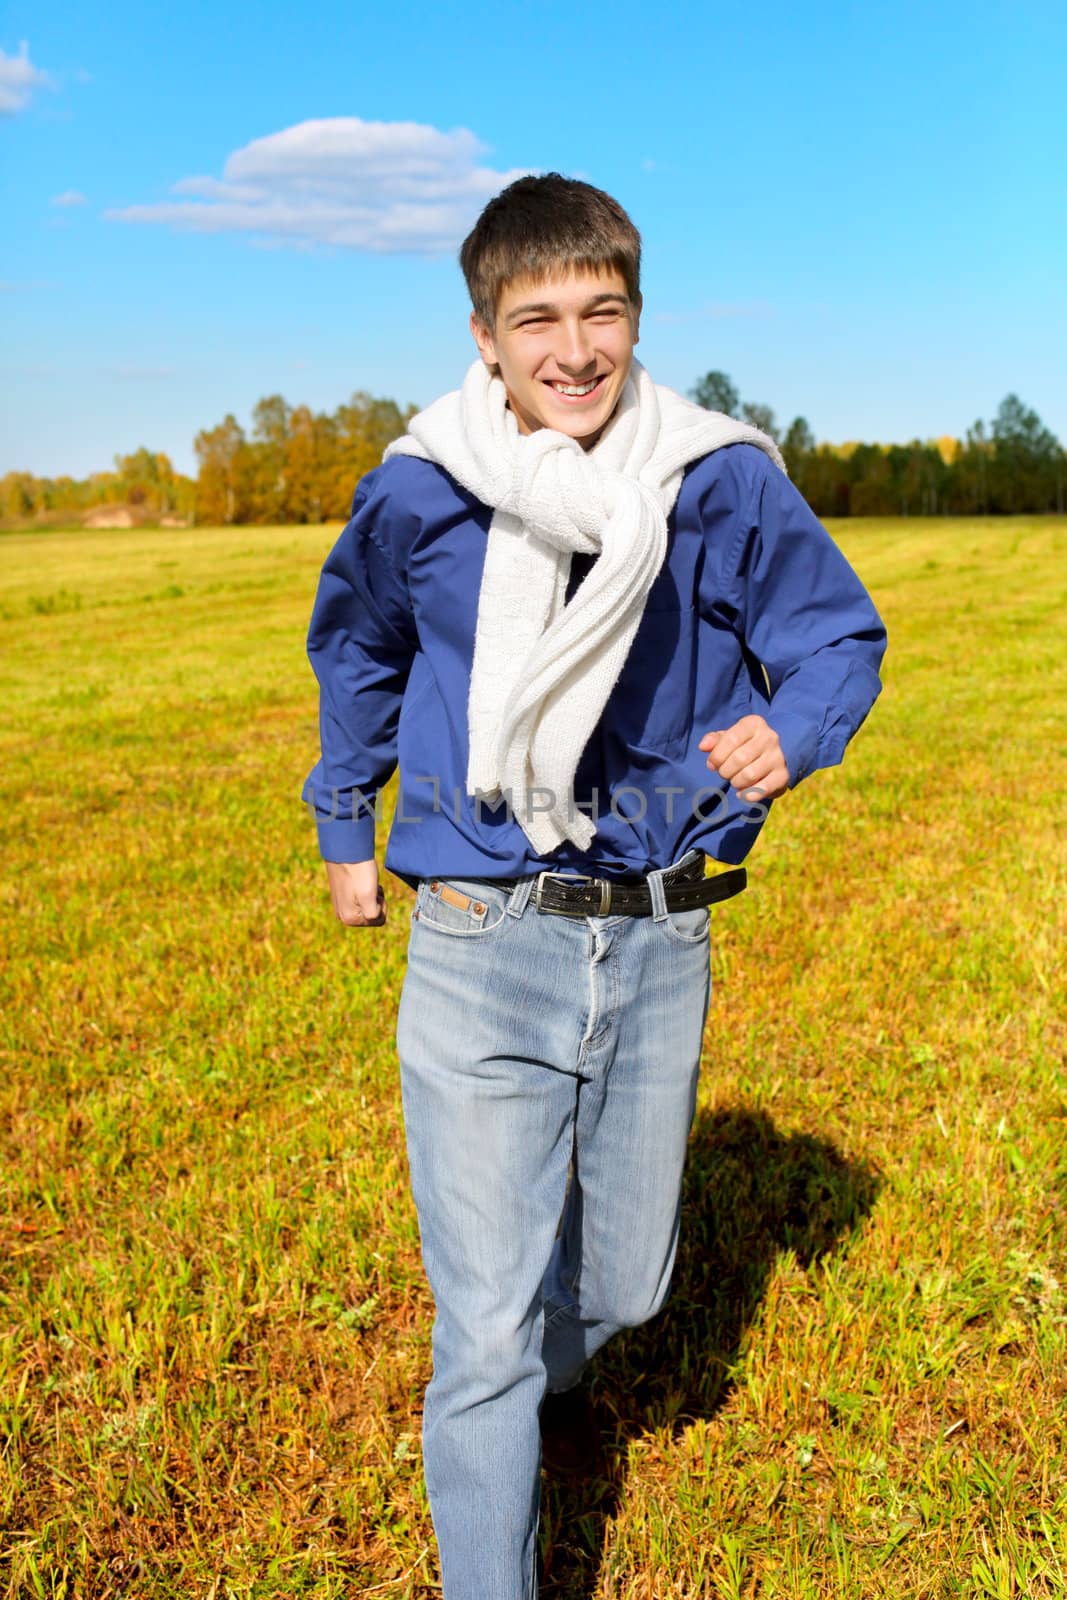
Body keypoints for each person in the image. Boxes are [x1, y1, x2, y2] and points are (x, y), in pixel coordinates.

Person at [302, 173, 887, 1600]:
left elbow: (840, 641)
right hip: (477, 931)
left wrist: (789, 732)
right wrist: (342, 823)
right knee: (488, 1330)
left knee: (624, 1287)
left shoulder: (715, 477)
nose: (573, 349)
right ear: (485, 333)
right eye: (537, 318)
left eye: (602, 312)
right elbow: (360, 648)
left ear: (635, 315)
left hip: (655, 932)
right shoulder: (421, 488)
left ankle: (550, 1376)